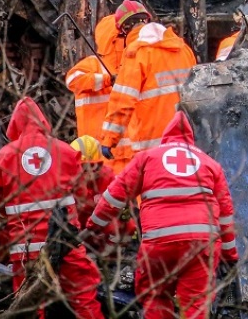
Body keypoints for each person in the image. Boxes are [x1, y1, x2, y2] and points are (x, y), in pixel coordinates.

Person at [86, 111, 238, 319]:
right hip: (202, 245)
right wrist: (230, 256)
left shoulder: (147, 158)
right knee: (196, 304)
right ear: (191, 139)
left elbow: (114, 197)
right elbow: (226, 217)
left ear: (165, 137)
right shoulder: (211, 164)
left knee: (154, 295)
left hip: (159, 243)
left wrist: (93, 226)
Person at [0, 97, 105, 319]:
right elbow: (81, 196)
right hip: (64, 241)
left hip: (25, 245)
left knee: (29, 307)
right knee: (84, 299)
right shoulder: (65, 151)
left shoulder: (5, 155)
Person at [95, 0, 197, 173]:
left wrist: (109, 140)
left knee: (153, 197)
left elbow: (123, 101)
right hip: (187, 140)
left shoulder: (137, 53)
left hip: (153, 147)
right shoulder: (182, 48)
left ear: (125, 29)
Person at [66, 15, 126, 141]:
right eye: (123, 36)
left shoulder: (131, 65)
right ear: (113, 39)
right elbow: (71, 81)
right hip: (94, 144)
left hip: (122, 146)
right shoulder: (93, 64)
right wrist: (106, 80)